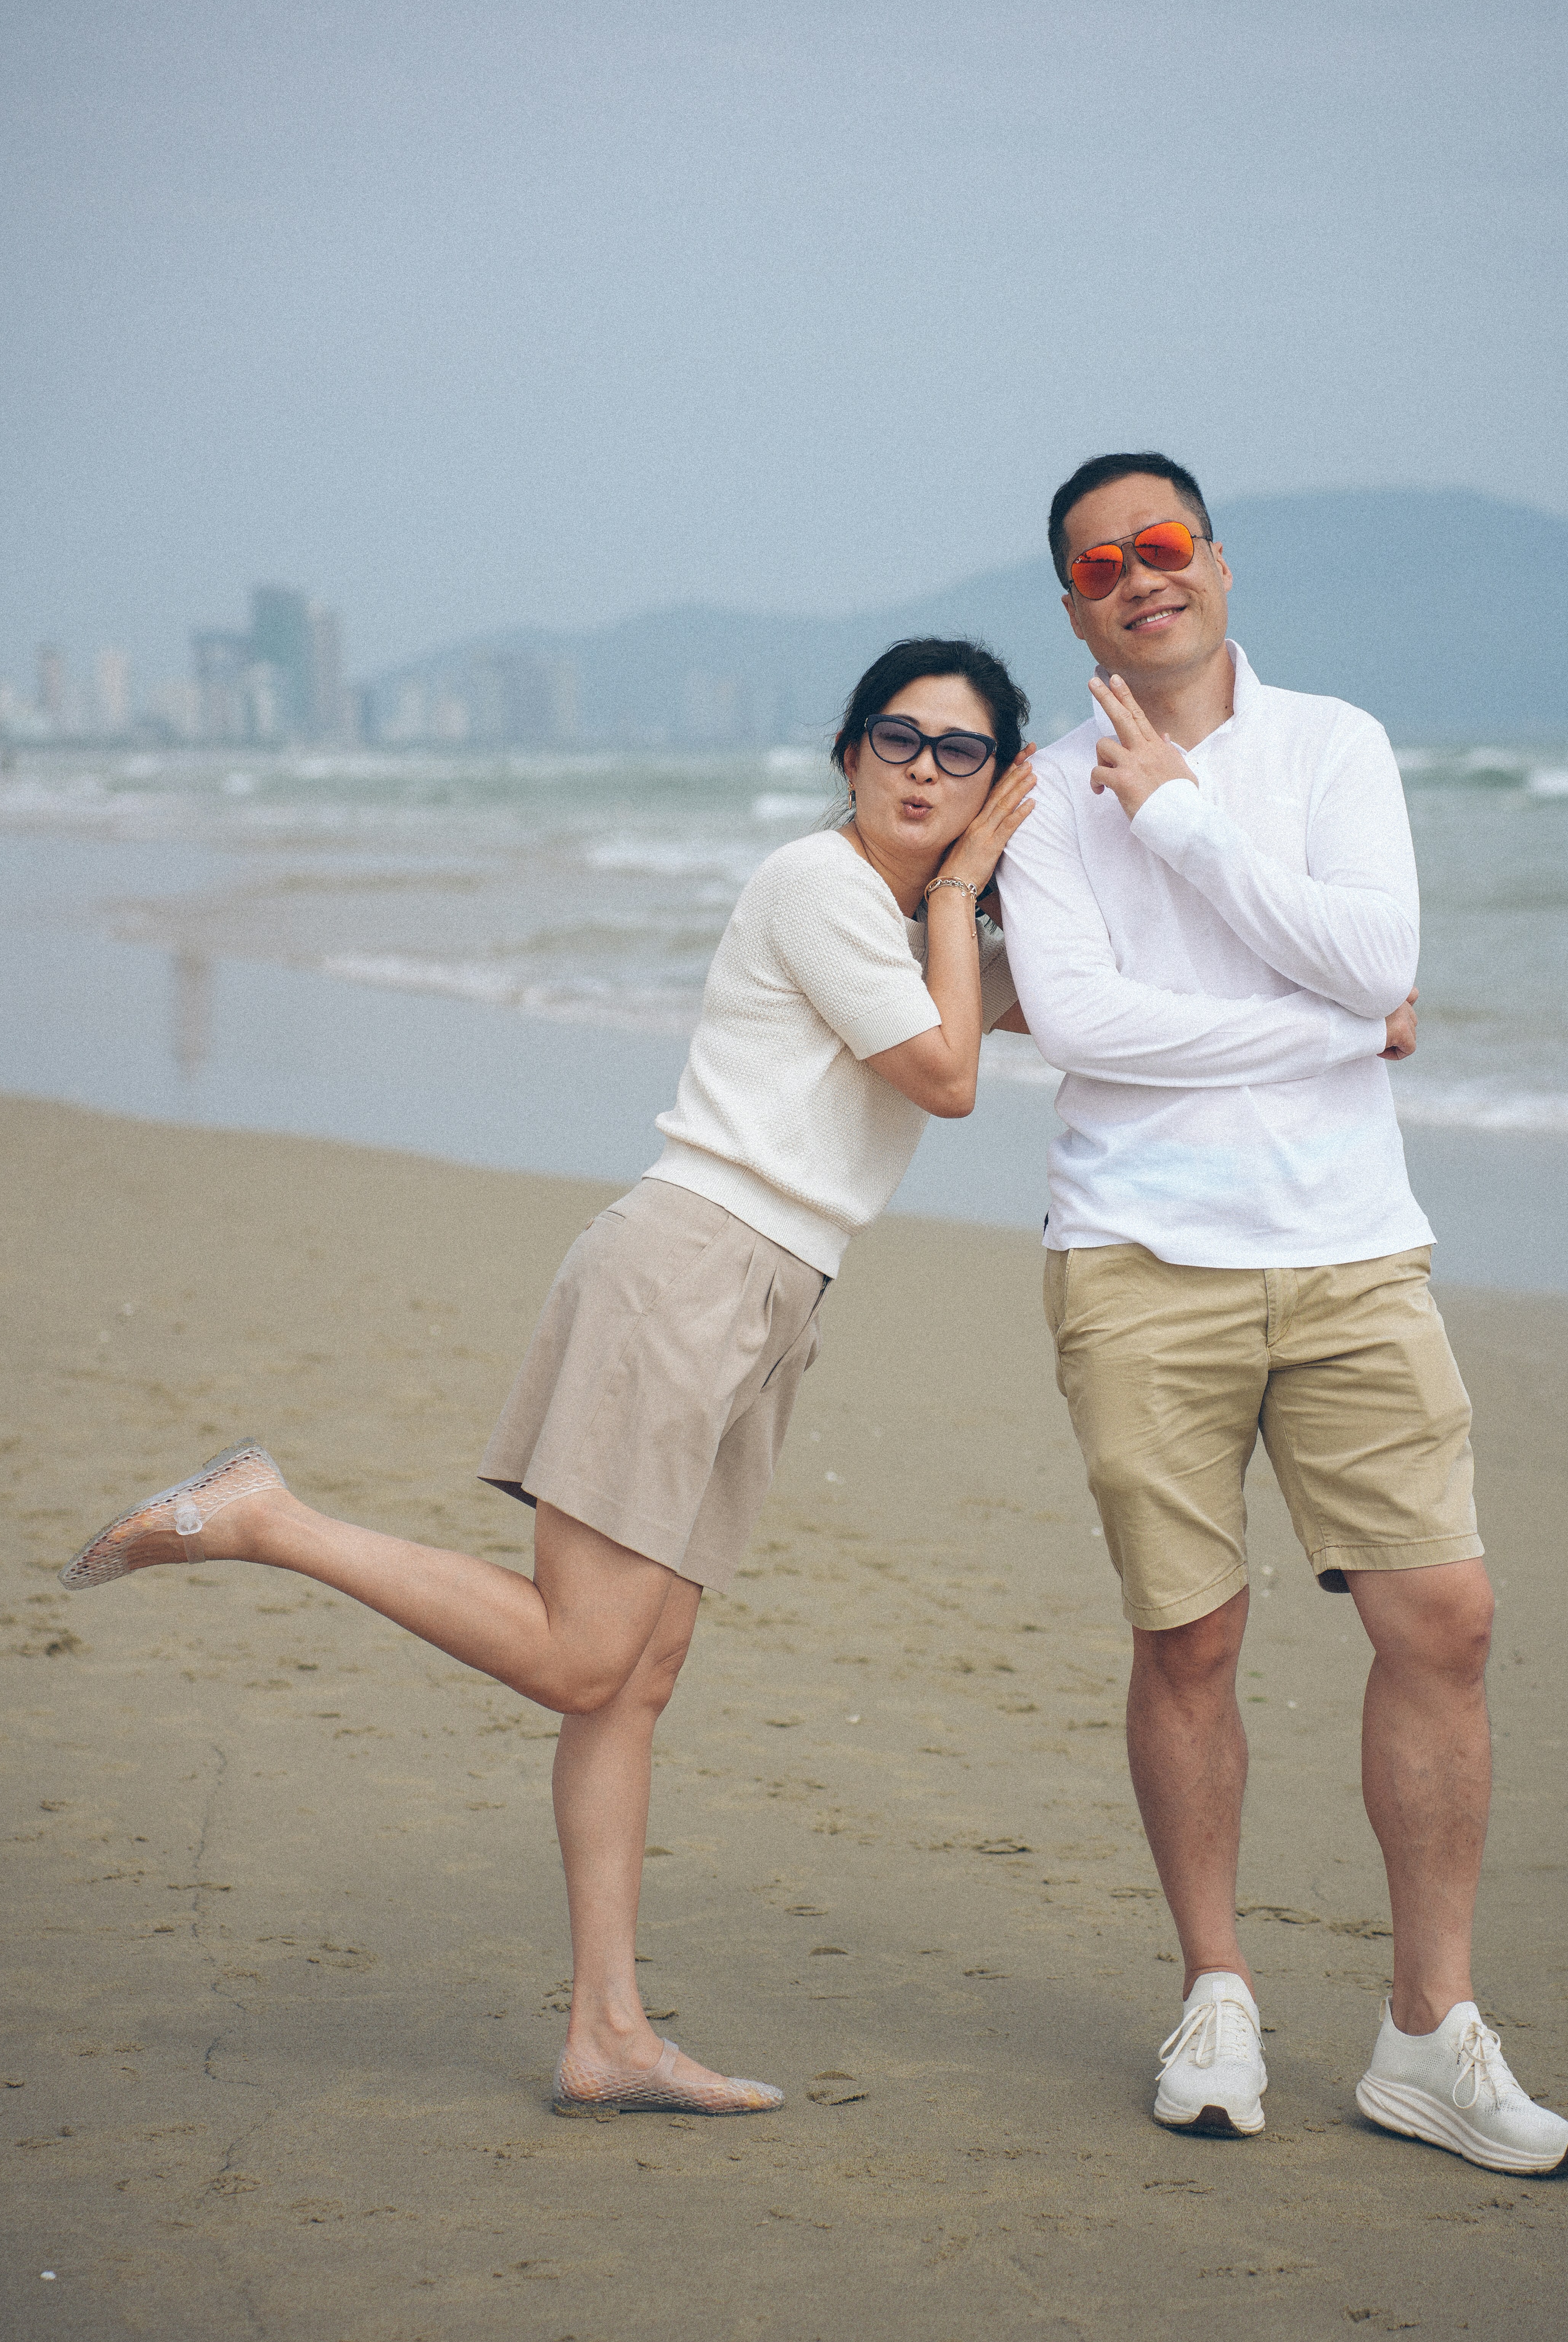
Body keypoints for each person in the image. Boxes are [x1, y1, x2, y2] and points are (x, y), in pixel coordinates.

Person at [60, 638, 1035, 2121]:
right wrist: (968, 891)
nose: (921, 766)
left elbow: (1036, 1009)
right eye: (896, 737)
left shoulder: (904, 925)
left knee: (635, 1683)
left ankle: (608, 2035)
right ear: (848, 754)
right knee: (588, 1657)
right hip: (689, 1267)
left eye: (959, 752)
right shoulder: (826, 888)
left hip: (772, 1295)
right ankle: (267, 1517)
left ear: (991, 783)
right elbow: (952, 1074)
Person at [997, 453, 1568, 2176]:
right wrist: (1344, 1021)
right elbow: (1097, 1032)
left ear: (1220, 565)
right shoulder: (1038, 793)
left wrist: (1180, 817)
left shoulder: (1337, 747)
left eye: (1164, 546)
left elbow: (1377, 937)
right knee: (1187, 1640)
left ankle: (1428, 2036)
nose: (1139, 576)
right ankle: (1218, 1992)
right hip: (1134, 1260)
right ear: (1072, 604)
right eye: (1102, 563)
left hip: (1347, 1255)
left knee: (1445, 1620)